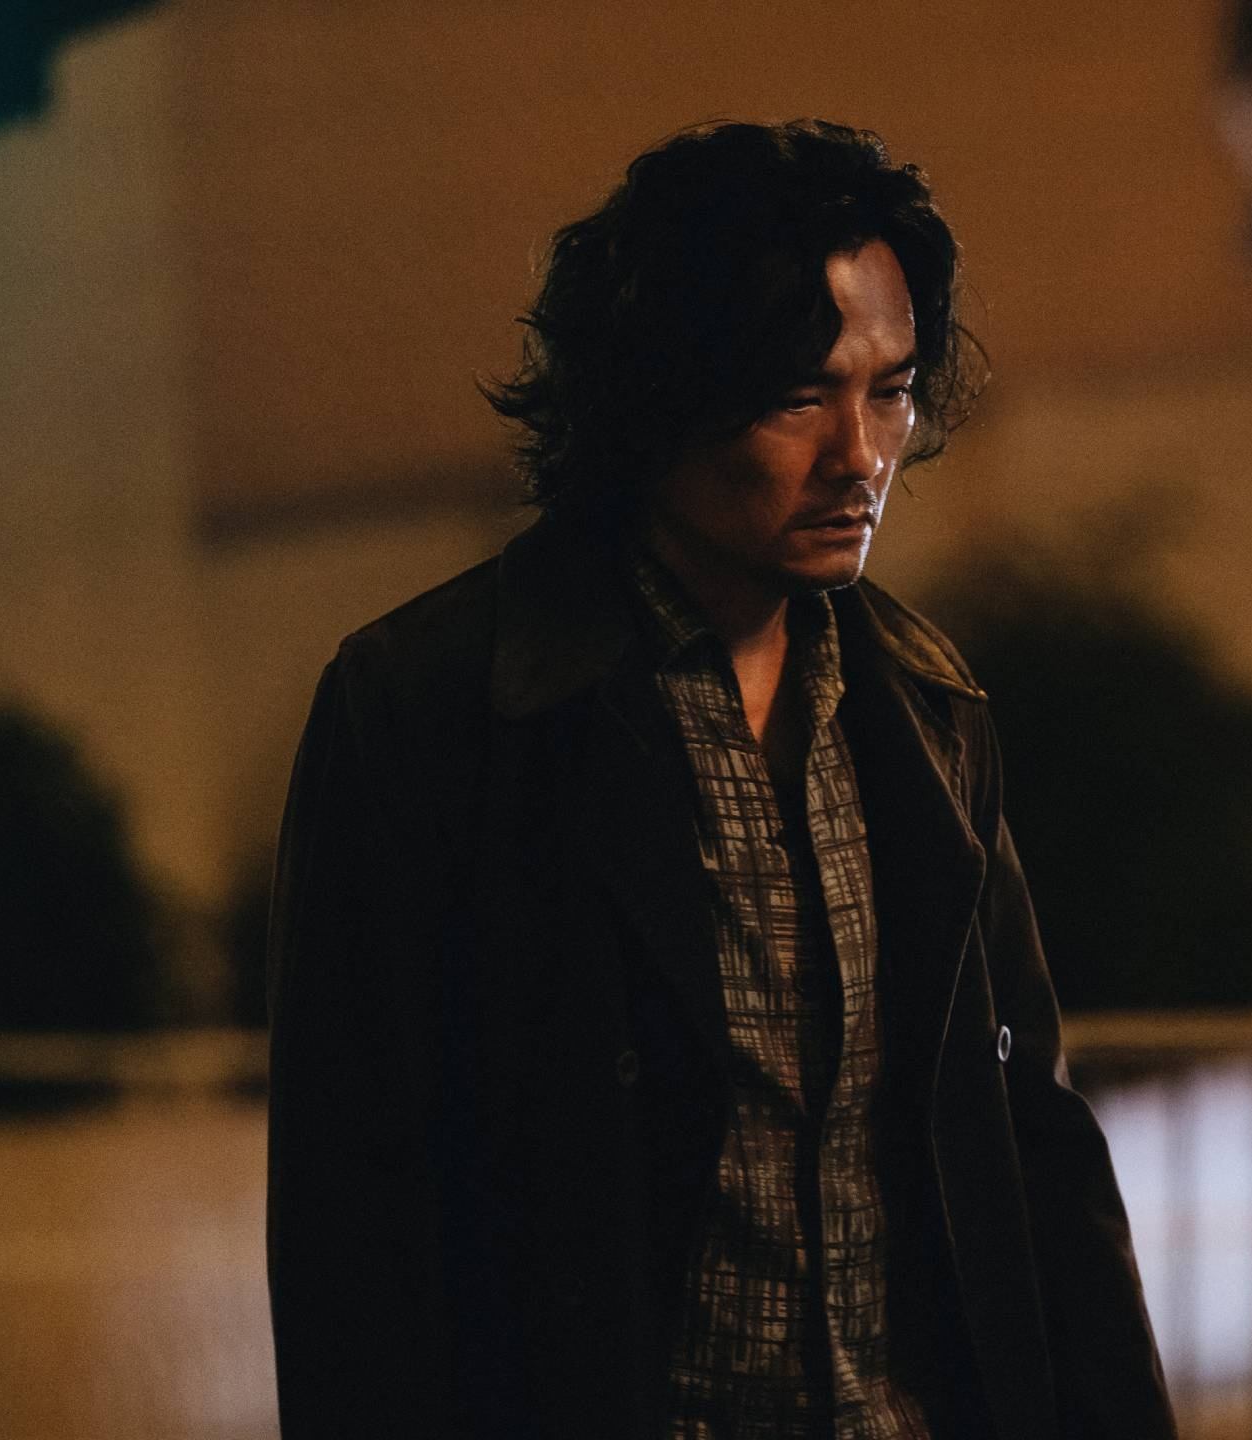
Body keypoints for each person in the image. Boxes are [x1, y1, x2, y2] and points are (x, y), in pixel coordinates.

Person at [265, 120, 1177, 1440]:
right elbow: (354, 1220)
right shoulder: (436, 711)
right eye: (801, 397)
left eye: (891, 390)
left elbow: (1031, 1144)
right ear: (657, 397)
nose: (861, 454)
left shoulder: (925, 708)